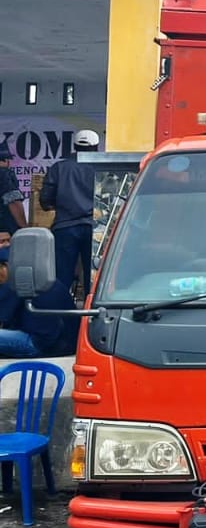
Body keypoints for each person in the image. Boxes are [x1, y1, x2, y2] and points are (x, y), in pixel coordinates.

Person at [39, 129, 99, 295]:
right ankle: (91, 314)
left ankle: (60, 315)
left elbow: (45, 199)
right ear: (96, 147)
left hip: (64, 227)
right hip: (94, 229)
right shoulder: (100, 168)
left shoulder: (59, 167)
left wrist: (58, 207)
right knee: (94, 276)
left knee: (61, 277)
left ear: (74, 146)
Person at [0, 238, 78, 358]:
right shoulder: (39, 275)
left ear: (5, 266)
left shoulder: (15, 281)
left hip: (42, 345)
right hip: (66, 343)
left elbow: (3, 317)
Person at [0, 141, 27, 235]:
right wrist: (24, 228)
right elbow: (13, 201)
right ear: (6, 160)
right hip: (4, 231)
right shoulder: (4, 174)